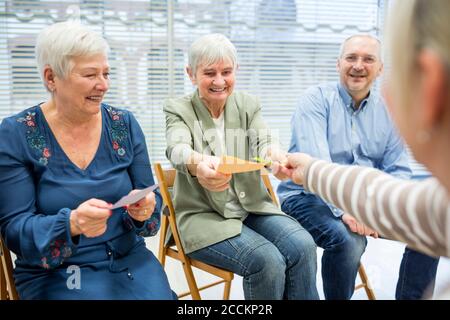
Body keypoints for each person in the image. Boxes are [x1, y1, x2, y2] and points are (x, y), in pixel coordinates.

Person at [275, 0, 450, 299]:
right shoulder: (314, 100)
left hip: (365, 199)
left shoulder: (387, 109)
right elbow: (315, 165)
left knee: (425, 237)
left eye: (368, 59)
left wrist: (372, 208)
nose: (358, 65)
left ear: (380, 68)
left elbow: (397, 168)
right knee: (348, 241)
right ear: (338, 63)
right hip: (308, 198)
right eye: (351, 58)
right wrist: (351, 208)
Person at [0, 21, 174, 299]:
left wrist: (145, 211)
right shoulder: (16, 133)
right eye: (90, 74)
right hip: (57, 271)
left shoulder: (124, 125)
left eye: (106, 73)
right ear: (51, 78)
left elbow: (152, 211)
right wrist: (72, 224)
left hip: (129, 261)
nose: (103, 85)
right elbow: (15, 230)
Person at [163, 33, 319, 300]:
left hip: (252, 209)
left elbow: (264, 139)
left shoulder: (247, 105)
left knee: (303, 245)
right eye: (209, 73)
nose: (219, 81)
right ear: (191, 74)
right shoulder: (178, 109)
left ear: (236, 71)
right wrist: (198, 163)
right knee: (267, 261)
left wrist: (274, 155)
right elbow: (176, 148)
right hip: (204, 217)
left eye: (226, 71)